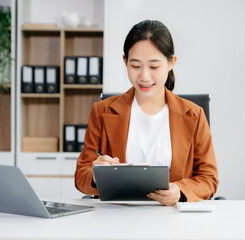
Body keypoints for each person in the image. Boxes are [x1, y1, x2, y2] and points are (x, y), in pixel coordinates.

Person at [75, 20, 218, 206]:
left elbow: (209, 178)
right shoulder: (102, 111)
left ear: (171, 63)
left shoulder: (194, 115)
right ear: (125, 61)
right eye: (135, 66)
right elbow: (81, 175)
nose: (144, 76)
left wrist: (180, 191)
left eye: (154, 66)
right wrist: (96, 175)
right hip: (115, 217)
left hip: (173, 219)